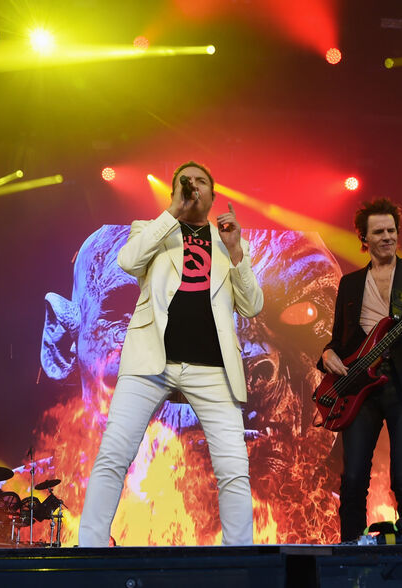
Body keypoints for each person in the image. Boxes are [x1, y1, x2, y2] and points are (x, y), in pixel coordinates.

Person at [78, 160, 264, 546]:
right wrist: (173, 214)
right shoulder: (150, 229)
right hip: (150, 360)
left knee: (233, 467)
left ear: (214, 194)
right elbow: (129, 262)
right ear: (174, 192)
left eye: (201, 182)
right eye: (185, 182)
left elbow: (252, 305)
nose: (193, 187)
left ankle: (240, 557)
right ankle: (90, 550)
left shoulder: (231, 242)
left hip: (214, 367)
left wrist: (236, 253)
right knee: (114, 455)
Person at [318, 198, 402, 542]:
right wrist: (326, 355)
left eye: (392, 230)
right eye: (379, 231)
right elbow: (338, 341)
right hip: (358, 388)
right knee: (352, 480)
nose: (387, 237)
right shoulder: (349, 283)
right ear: (364, 239)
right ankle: (350, 554)